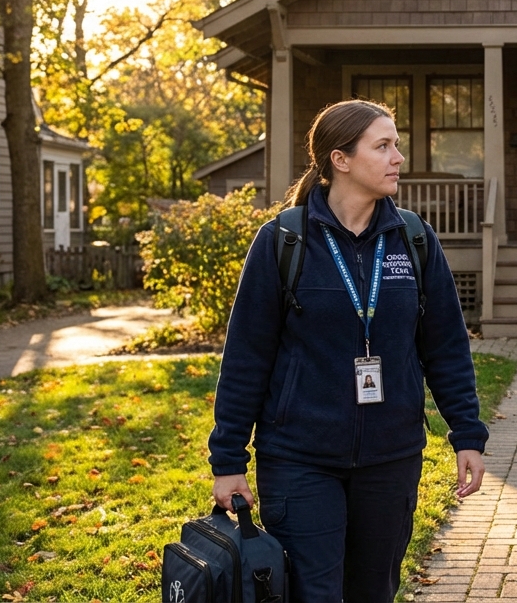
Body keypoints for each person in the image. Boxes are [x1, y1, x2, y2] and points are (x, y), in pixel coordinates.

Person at [208, 99, 488, 602]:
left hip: (391, 457)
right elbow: (246, 358)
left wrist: (467, 431)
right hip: (298, 459)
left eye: (396, 144)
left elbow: (445, 347)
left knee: (374, 591)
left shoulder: (414, 241)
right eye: (383, 146)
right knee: (315, 594)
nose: (397, 157)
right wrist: (228, 459)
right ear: (340, 159)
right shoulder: (282, 242)